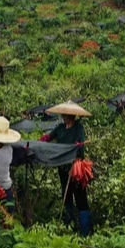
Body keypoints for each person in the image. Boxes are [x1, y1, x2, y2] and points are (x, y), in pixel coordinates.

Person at [42, 101, 92, 236]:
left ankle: (85, 232)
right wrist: (40, 141)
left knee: (81, 198)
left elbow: (80, 144)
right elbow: (49, 137)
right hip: (63, 167)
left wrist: (76, 146)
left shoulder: (78, 128)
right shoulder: (60, 128)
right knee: (66, 195)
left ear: (72, 116)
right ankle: (70, 226)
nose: (64, 117)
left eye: (66, 115)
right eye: (63, 114)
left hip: (76, 167)